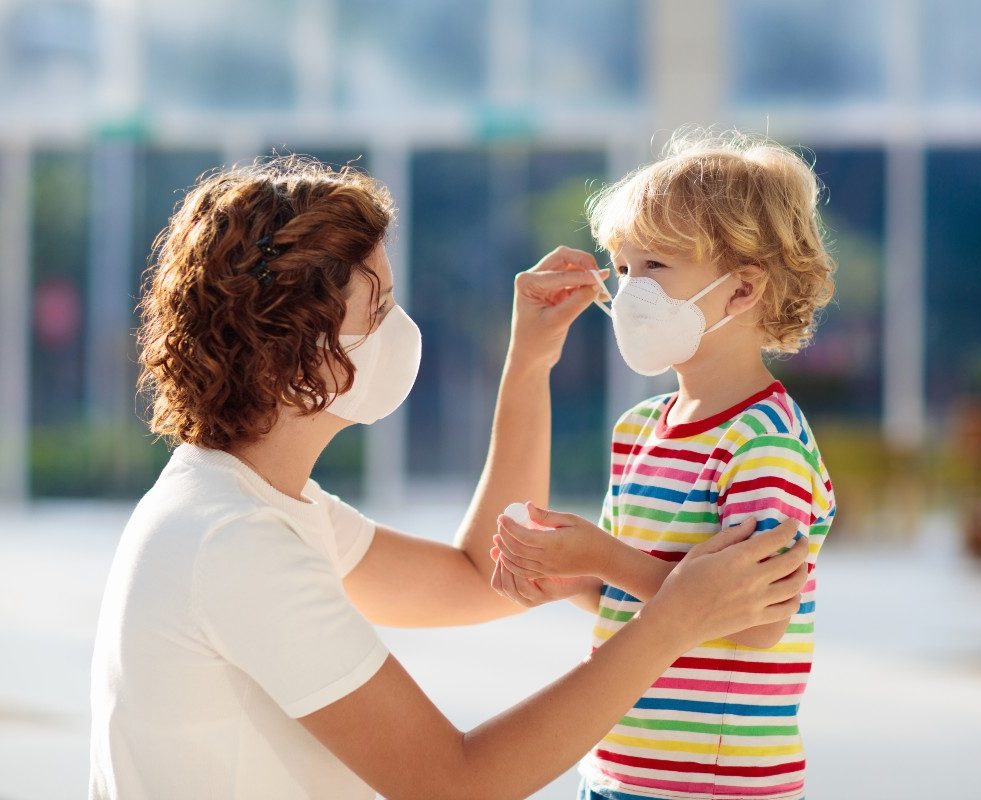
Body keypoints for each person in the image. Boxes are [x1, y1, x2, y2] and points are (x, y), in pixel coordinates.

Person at [88, 155, 809, 800]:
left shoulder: (262, 506)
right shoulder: (234, 541)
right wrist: (673, 619)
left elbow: (475, 577)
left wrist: (529, 364)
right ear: (300, 358)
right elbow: (455, 785)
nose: (402, 329)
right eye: (381, 309)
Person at [491, 131, 838, 800]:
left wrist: (601, 554)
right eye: (620, 270)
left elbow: (761, 617)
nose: (628, 293)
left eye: (654, 266)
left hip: (715, 785)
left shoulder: (764, 443)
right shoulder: (640, 430)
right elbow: (638, 592)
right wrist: (570, 577)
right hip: (616, 767)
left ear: (740, 291)